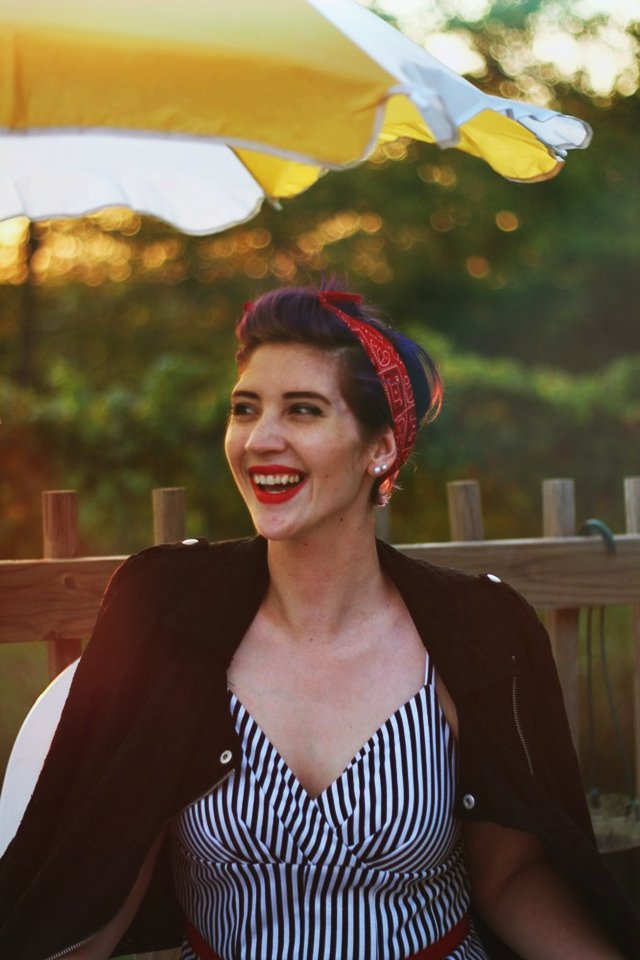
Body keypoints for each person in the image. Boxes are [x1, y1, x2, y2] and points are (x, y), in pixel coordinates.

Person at [0, 284, 637, 960]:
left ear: (380, 451)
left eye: (303, 411)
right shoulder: (167, 616)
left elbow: (512, 875)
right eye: (245, 410)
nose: (260, 440)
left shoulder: (482, 633)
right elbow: (101, 878)